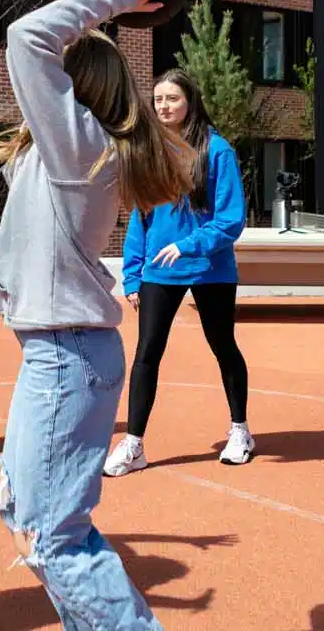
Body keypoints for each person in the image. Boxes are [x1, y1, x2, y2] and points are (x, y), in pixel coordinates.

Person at [0, 0, 194, 630]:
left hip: (68, 357)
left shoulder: (81, 146)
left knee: (54, 536)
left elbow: (24, 36)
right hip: (55, 354)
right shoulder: (65, 152)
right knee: (25, 516)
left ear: (73, 85)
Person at [104, 69, 252, 477]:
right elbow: (141, 216)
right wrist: (132, 275)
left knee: (223, 346)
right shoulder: (151, 151)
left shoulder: (216, 150)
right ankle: (134, 445)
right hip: (158, 270)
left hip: (211, 268)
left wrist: (188, 245)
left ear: (190, 102)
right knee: (147, 353)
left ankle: (240, 431)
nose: (164, 106)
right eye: (159, 99)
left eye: (173, 98)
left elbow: (231, 220)